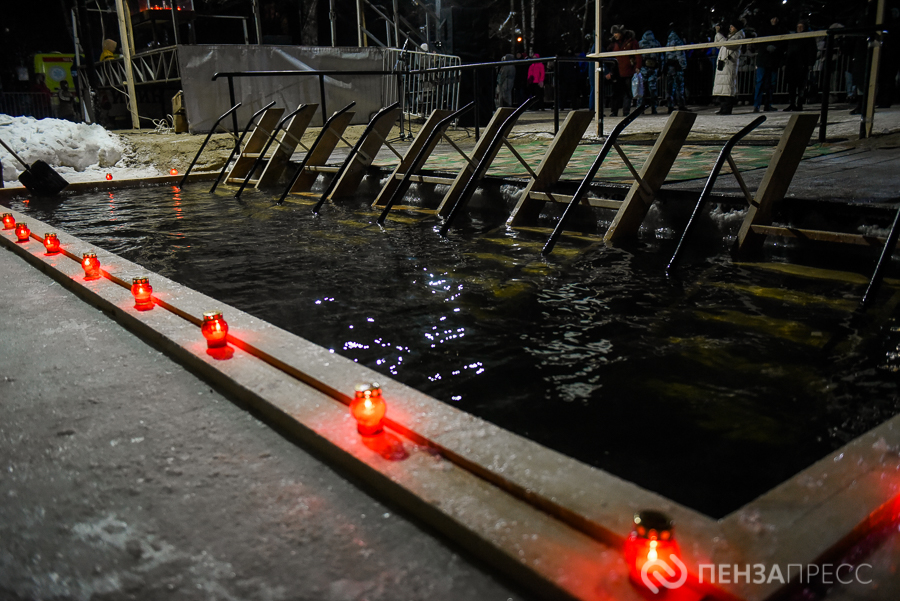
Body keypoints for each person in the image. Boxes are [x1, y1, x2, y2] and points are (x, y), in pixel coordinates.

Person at [782, 19, 817, 111]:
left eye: (801, 27)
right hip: (792, 65)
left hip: (802, 65)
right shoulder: (793, 37)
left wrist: (810, 64)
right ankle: (792, 103)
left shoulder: (808, 37)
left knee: (801, 86)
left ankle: (800, 104)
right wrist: (785, 63)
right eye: (798, 27)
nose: (799, 28)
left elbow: (812, 51)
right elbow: (788, 51)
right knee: (791, 86)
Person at [606, 25, 641, 117]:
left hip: (628, 70)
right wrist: (609, 71)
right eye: (614, 33)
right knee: (615, 93)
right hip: (616, 71)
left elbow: (638, 54)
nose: (615, 35)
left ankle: (626, 111)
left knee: (627, 92)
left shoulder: (631, 41)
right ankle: (614, 111)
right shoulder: (613, 43)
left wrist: (637, 66)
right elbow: (608, 56)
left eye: (616, 33)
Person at [712, 18, 745, 115]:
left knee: (727, 87)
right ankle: (723, 108)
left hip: (729, 64)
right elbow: (718, 45)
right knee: (722, 88)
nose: (730, 28)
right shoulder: (730, 36)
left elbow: (728, 45)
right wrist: (718, 34)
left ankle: (727, 108)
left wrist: (719, 34)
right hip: (723, 65)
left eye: (732, 26)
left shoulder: (739, 36)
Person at [753, 15, 783, 112]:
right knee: (760, 82)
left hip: (773, 61)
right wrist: (766, 47)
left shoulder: (780, 29)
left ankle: (767, 104)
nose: (774, 20)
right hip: (763, 60)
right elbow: (758, 43)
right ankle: (757, 105)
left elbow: (783, 43)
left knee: (771, 83)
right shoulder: (763, 29)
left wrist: (776, 48)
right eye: (773, 18)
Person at [665, 26, 690, 112]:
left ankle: (670, 105)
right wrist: (684, 66)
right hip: (677, 66)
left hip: (669, 66)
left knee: (670, 87)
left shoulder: (668, 41)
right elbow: (680, 54)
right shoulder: (678, 40)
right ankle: (681, 105)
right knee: (679, 86)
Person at [638, 30, 662, 114]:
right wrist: (660, 69)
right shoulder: (656, 43)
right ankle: (654, 108)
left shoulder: (640, 43)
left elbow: (637, 56)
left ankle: (640, 109)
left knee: (642, 90)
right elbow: (661, 57)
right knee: (653, 89)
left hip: (643, 69)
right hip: (653, 69)